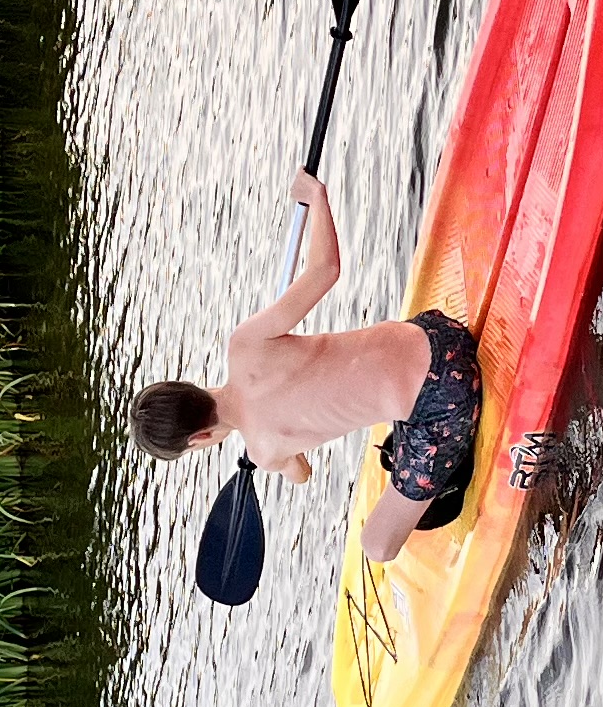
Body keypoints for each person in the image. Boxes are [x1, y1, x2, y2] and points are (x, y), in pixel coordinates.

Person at [131, 171, 483, 565]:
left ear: (197, 439)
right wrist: (316, 196)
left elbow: (302, 474)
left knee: (376, 545)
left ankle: (450, 464)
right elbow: (325, 270)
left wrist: (280, 463)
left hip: (448, 401)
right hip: (438, 333)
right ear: (188, 387)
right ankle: (419, 447)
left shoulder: (264, 450)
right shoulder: (243, 346)